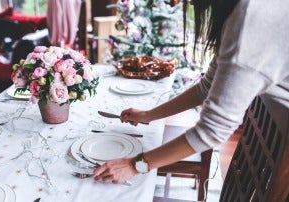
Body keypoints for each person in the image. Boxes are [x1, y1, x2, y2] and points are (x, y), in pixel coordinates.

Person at [94, 0, 289, 184]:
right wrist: (148, 115)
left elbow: (212, 130)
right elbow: (207, 87)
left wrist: (134, 165)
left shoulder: (252, 18)